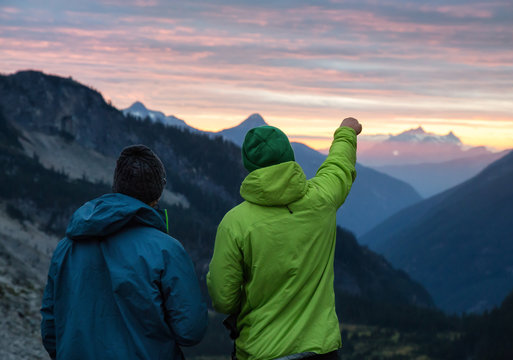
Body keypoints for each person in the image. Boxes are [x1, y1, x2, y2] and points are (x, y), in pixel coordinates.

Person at [206, 118, 362, 360]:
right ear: (290, 155)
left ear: (249, 164)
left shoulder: (234, 223)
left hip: (261, 350)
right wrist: (347, 131)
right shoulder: (321, 199)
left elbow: (223, 299)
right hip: (320, 350)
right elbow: (339, 165)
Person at [41, 144, 207, 360]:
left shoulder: (67, 246)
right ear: (157, 193)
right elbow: (190, 330)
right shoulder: (167, 249)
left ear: (116, 185)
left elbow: (50, 331)